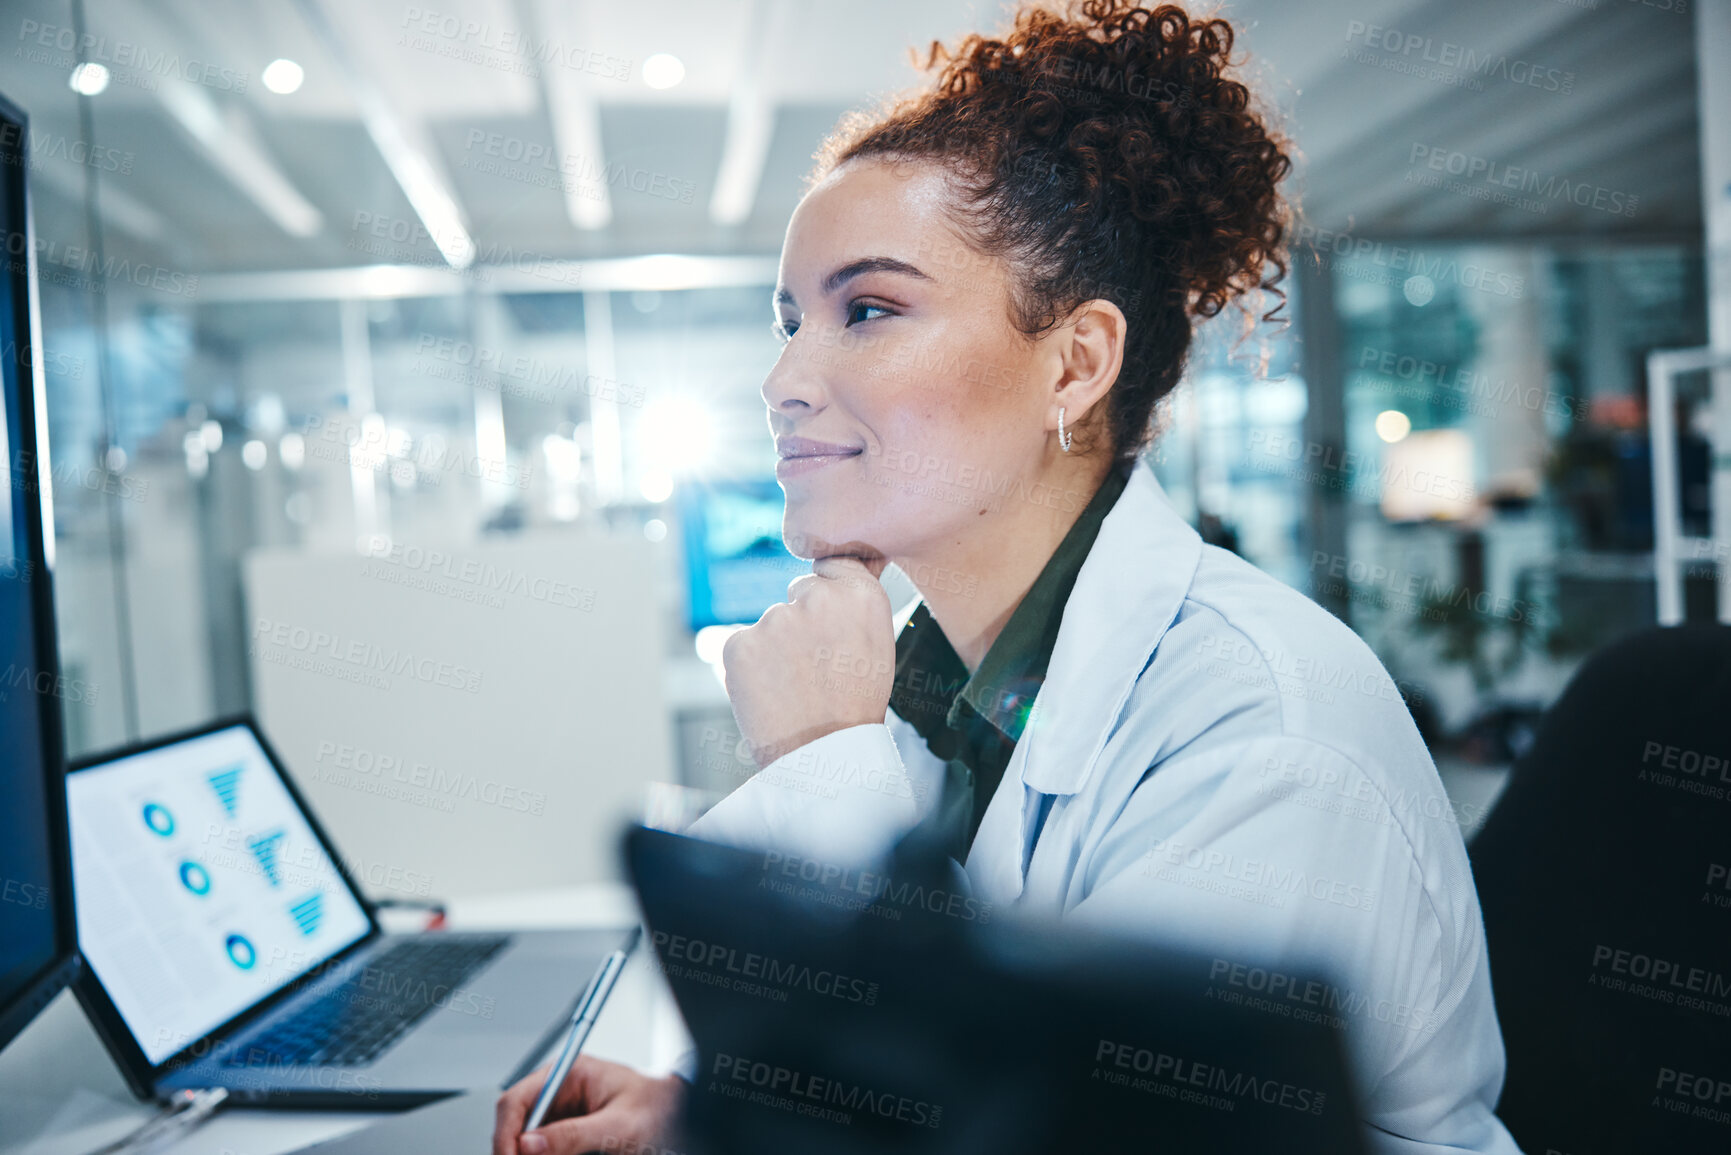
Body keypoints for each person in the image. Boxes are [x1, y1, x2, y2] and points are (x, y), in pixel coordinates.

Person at [494, 2, 1523, 1152]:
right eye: (790, 321)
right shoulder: (950, 679)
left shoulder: (1264, 738)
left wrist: (823, 768)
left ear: (1075, 364)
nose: (783, 377)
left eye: (869, 310)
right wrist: (710, 1112)